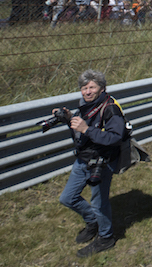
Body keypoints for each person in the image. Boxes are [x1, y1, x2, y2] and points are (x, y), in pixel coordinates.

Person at [57, 70, 121, 257]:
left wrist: (86, 129)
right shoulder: (84, 106)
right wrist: (68, 118)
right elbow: (81, 131)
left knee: (99, 203)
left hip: (102, 161)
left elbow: (115, 137)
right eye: (84, 88)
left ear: (102, 88)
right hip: (83, 159)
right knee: (67, 198)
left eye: (92, 87)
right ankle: (92, 221)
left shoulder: (110, 108)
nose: (87, 91)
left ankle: (106, 237)